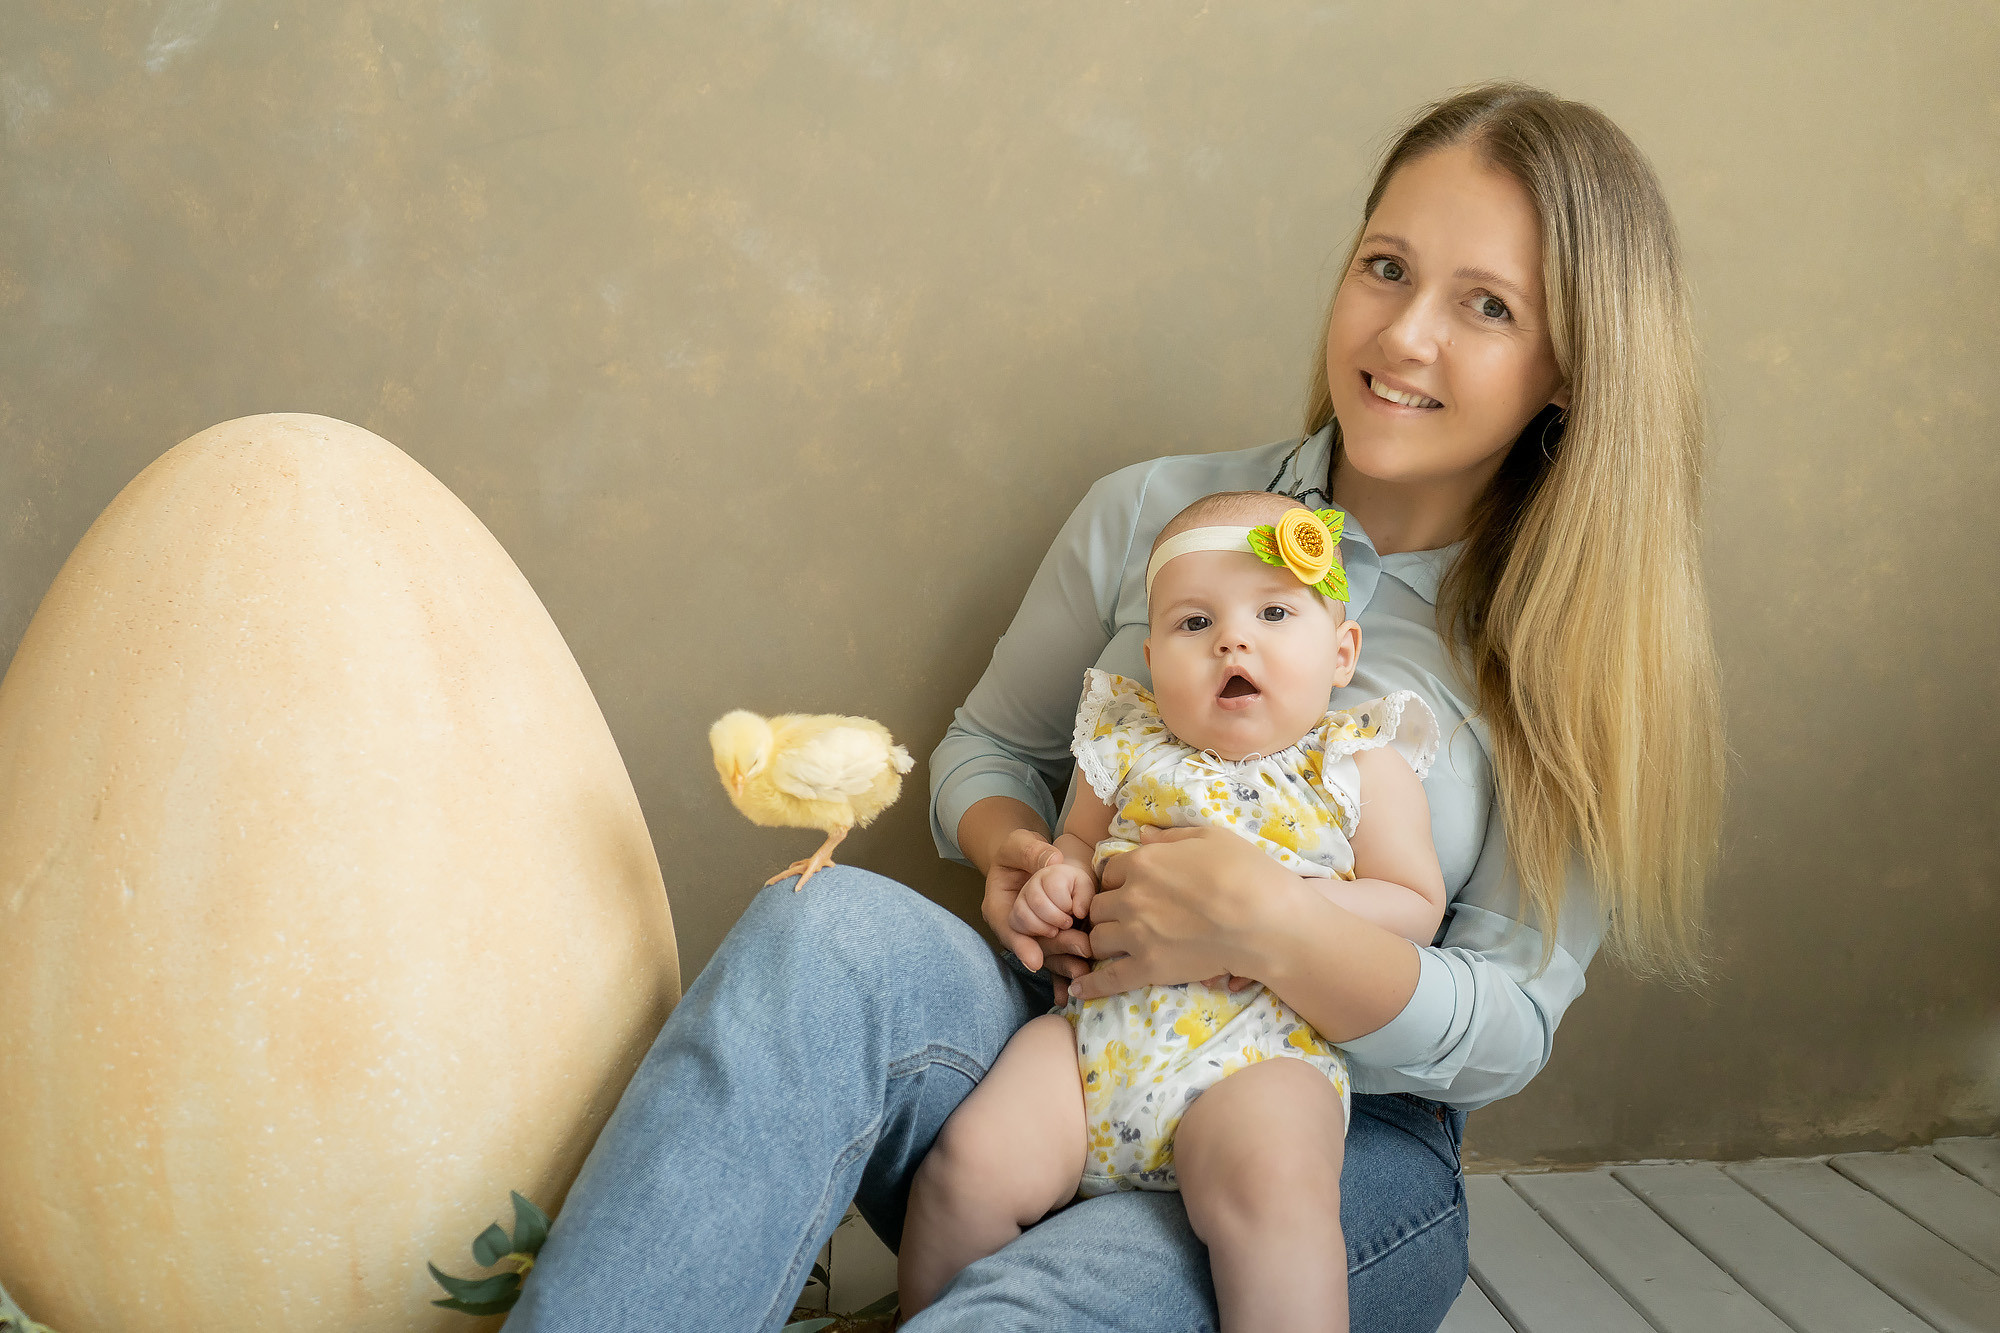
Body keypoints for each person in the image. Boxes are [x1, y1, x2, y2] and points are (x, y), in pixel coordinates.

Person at [506, 79, 1724, 1333]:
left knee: (1043, 1309)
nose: (1404, 335)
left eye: (1484, 305)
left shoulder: (1562, 650)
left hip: (1331, 1140)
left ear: (1569, 366)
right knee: (819, 932)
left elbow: (1510, 1016)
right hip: (1076, 1046)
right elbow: (986, 752)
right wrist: (1017, 852)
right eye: (1384, 266)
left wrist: (1274, 929)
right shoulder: (1150, 514)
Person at [897, 490, 1448, 1332]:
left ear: (1342, 652)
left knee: (1274, 1199)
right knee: (966, 1166)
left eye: (1273, 610)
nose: (1233, 639)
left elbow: (1416, 903)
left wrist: (1294, 907)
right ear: (1151, 657)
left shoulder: (1358, 762)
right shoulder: (1123, 744)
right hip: (1096, 1042)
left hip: (1262, 1052)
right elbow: (1075, 850)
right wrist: (1057, 886)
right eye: (1195, 624)